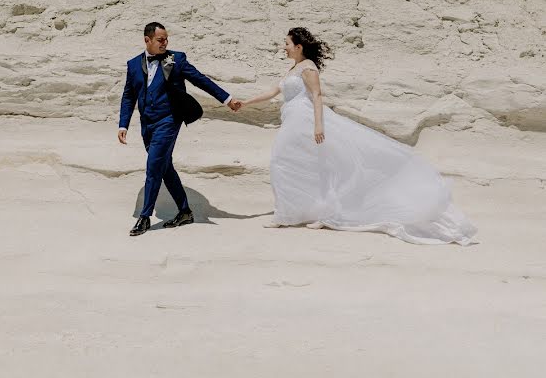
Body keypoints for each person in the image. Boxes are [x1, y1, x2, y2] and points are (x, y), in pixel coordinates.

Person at [240, 27, 477, 245]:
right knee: (305, 166)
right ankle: (311, 212)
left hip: (305, 121)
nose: (284, 47)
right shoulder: (293, 68)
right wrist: (244, 103)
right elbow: (273, 91)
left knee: (282, 162)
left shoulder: (308, 67)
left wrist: (318, 126)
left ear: (298, 47)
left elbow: (317, 96)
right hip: (292, 121)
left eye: (287, 44)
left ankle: (291, 215)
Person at [118, 22, 242, 236]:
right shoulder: (132, 65)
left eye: (166, 39)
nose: (165, 43)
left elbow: (201, 80)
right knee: (165, 167)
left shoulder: (176, 59)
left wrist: (227, 98)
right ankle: (184, 211)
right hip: (147, 124)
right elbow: (129, 96)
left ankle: (145, 217)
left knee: (153, 166)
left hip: (169, 120)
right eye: (160, 39)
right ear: (147, 40)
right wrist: (123, 124)